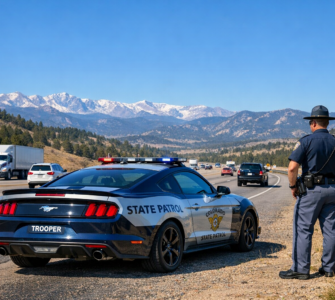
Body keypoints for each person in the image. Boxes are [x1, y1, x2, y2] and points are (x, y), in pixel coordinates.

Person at [279, 105, 335, 280]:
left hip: (311, 191)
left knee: (303, 229)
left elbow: (292, 168)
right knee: (331, 230)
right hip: (333, 190)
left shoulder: (305, 141)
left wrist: (293, 186)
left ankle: (300, 269)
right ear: (327, 123)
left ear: (313, 123)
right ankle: (329, 268)